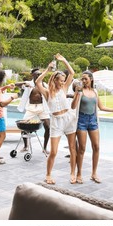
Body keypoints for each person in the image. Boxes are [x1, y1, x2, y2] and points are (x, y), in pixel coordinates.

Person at [72, 70, 113, 183]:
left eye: (85, 78)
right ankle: (79, 174)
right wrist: (77, 92)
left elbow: (101, 107)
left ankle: (94, 173)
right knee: (81, 149)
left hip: (93, 120)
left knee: (96, 147)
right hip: (81, 120)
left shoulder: (95, 91)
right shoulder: (80, 92)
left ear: (91, 79)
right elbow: (73, 106)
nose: (83, 80)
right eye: (82, 79)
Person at [35, 53, 78, 185]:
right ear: (55, 80)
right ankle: (48, 175)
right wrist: (47, 70)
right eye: (61, 80)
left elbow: (72, 73)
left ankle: (72, 173)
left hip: (69, 119)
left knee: (72, 148)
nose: (63, 82)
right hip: (56, 121)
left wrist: (64, 60)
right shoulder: (48, 92)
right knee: (53, 151)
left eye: (64, 80)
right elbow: (37, 82)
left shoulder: (64, 88)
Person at [16, 68, 50, 154]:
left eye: (40, 74)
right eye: (37, 74)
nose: (39, 75)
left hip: (42, 107)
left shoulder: (44, 85)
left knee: (48, 127)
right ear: (33, 75)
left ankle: (45, 148)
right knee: (23, 125)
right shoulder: (29, 84)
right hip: (31, 108)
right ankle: (25, 146)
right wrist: (24, 83)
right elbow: (16, 84)